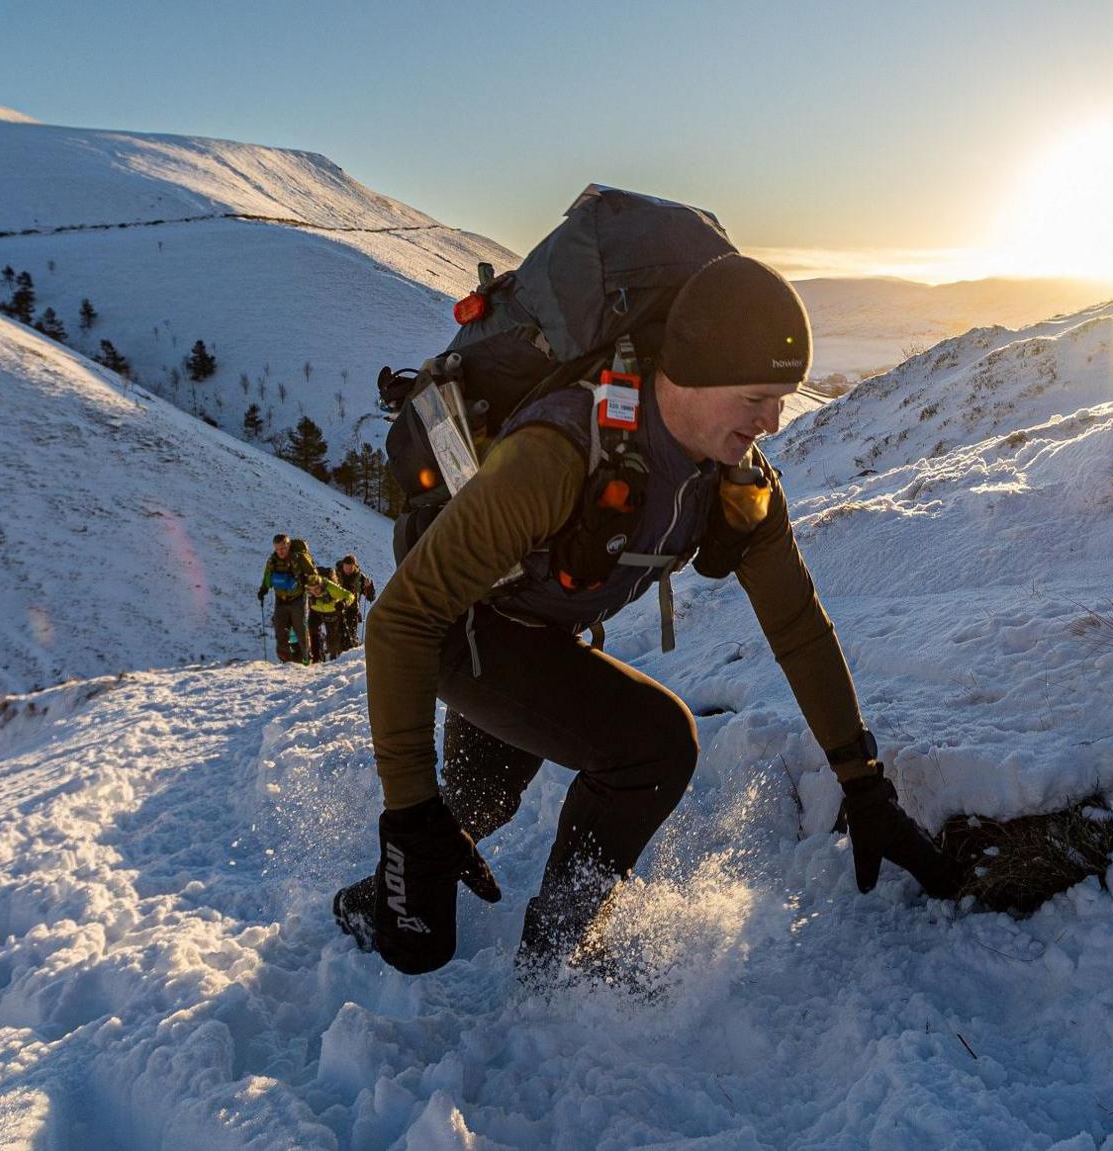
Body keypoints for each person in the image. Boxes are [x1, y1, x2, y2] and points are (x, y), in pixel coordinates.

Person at [335, 254, 959, 984]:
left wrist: (864, 783)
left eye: (781, 398)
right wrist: (407, 810)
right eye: (758, 396)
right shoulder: (562, 450)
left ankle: (373, 903)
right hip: (455, 625)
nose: (773, 420)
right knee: (655, 746)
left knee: (482, 802)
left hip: (529, 629)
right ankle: (556, 957)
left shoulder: (735, 481)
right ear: (694, 371)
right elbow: (402, 618)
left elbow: (796, 625)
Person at [256, 533, 314, 664]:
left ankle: (306, 658)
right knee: (280, 629)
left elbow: (313, 575)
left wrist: (308, 580)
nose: (280, 552)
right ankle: (286, 660)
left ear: (288, 545)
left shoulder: (299, 559)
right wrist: (263, 590)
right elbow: (268, 577)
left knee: (300, 629)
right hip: (280, 599)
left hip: (298, 598)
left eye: (282, 548)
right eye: (277, 549)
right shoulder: (272, 561)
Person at [304, 567, 358, 662]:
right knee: (312, 630)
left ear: (321, 585)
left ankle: (334, 659)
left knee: (332, 637)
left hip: (332, 612)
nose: (314, 592)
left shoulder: (330, 587)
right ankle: (316, 658)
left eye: (316, 589)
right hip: (316, 611)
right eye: (311, 590)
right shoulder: (306, 590)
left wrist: (344, 603)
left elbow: (350, 595)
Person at [331, 555, 377, 654]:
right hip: (336, 609)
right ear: (342, 565)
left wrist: (369, 587)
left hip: (352, 611)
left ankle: (346, 659)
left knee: (349, 638)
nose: (348, 570)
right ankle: (335, 659)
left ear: (355, 566)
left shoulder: (360, 578)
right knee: (336, 638)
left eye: (351, 568)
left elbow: (371, 597)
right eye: (346, 567)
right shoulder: (335, 575)